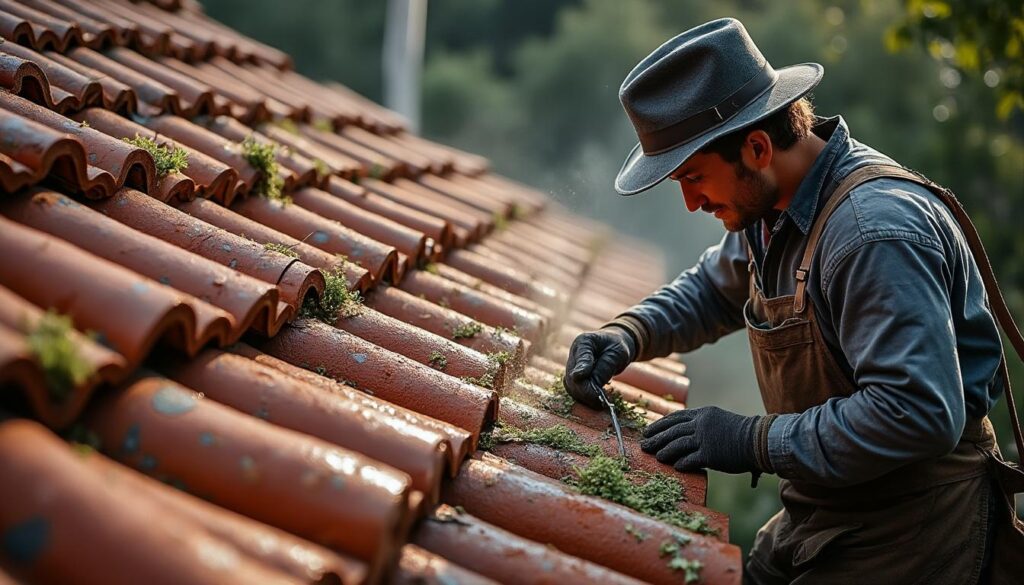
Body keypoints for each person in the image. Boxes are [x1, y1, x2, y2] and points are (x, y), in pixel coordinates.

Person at [563, 18, 1023, 583]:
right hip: (824, 510)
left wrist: (750, 440)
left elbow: (917, 412)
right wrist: (627, 333)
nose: (689, 203)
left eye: (693, 178)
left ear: (757, 147)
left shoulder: (871, 234)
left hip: (911, 529)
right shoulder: (770, 205)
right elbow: (713, 289)